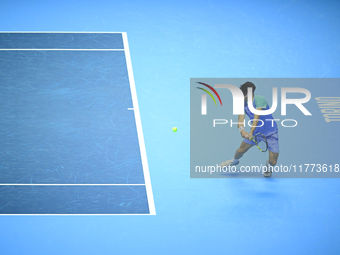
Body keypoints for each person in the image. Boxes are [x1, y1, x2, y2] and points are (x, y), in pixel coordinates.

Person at [219, 82, 279, 177]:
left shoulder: (260, 100)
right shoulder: (242, 104)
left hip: (270, 132)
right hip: (256, 132)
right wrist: (242, 130)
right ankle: (234, 161)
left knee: (273, 162)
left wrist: (250, 132)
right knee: (240, 151)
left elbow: (256, 118)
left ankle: (268, 165)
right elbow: (240, 120)